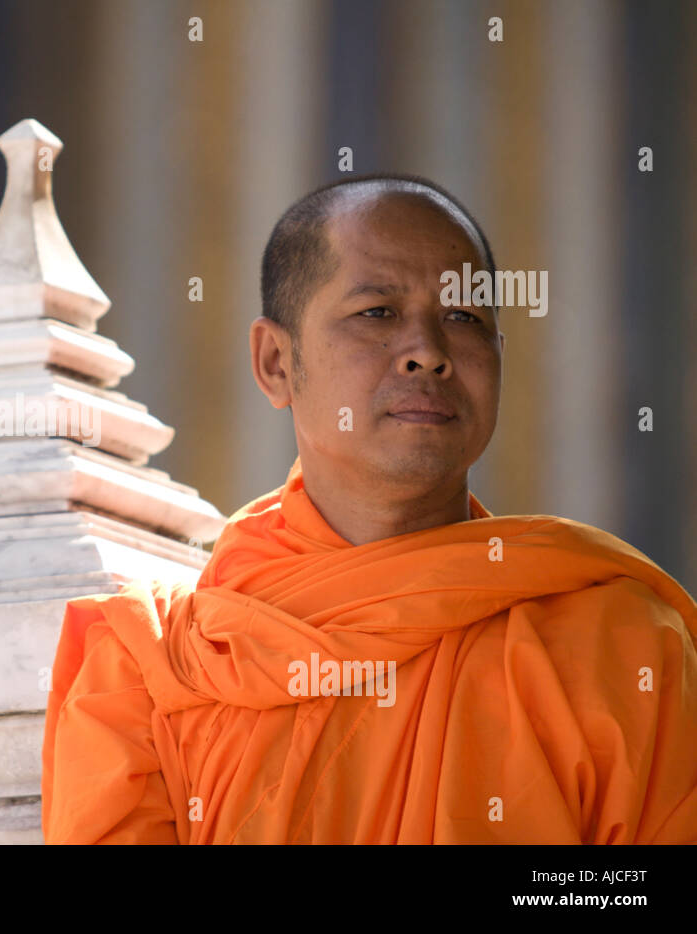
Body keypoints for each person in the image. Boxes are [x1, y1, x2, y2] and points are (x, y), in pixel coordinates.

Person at [40, 173, 697, 844]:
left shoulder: (621, 641)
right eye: (378, 312)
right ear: (275, 362)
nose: (428, 354)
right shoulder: (154, 668)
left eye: (464, 318)